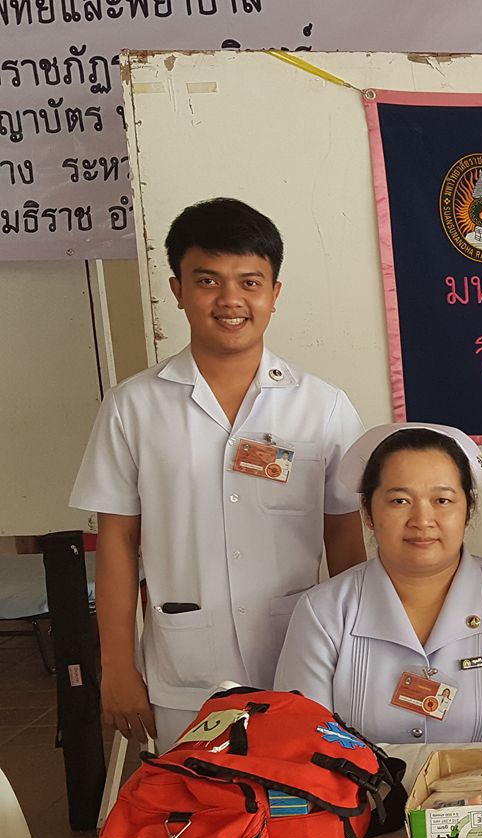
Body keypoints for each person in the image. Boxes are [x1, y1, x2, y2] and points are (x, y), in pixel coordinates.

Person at [70, 198, 367, 748]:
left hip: (303, 659)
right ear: (178, 290)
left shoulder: (322, 407)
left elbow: (346, 540)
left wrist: (356, 651)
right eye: (207, 281)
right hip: (185, 671)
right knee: (193, 796)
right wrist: (117, 666)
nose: (230, 300)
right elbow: (117, 542)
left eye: (249, 282)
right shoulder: (133, 406)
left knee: (299, 794)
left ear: (274, 293)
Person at [274, 423, 482, 744]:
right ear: (367, 512)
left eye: (442, 500)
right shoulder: (323, 611)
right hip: (356, 779)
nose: (422, 520)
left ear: (467, 510)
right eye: (399, 501)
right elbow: (303, 738)